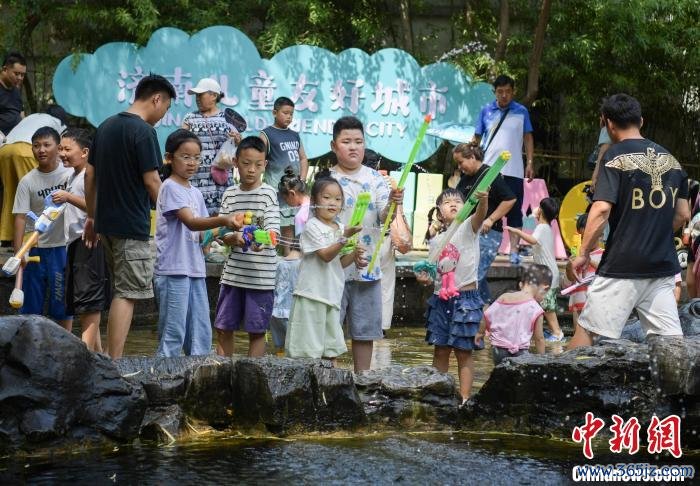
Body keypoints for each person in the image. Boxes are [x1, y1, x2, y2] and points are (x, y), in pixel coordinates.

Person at [568, 94, 690, 349]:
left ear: (608, 124)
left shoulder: (613, 158)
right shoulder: (673, 162)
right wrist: (653, 233)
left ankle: (556, 390)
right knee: (672, 350)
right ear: (641, 121)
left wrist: (583, 253)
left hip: (621, 267)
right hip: (662, 267)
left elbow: (601, 210)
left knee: (584, 339)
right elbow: (683, 214)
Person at [84, 74, 176, 359]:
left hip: (106, 224)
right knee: (127, 293)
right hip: (131, 225)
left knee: (119, 290)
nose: (163, 114)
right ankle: (115, 363)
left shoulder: (106, 126)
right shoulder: (144, 131)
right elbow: (152, 182)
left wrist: (91, 216)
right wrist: (173, 213)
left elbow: (90, 175)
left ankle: (111, 359)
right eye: (167, 107)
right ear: (156, 98)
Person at [154, 129, 242, 357]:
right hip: (173, 269)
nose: (192, 163)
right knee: (173, 331)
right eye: (185, 156)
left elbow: (204, 235)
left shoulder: (195, 193)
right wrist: (224, 219)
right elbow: (192, 223)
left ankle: (199, 374)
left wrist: (232, 230)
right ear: (169, 158)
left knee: (201, 331)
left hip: (194, 269)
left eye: (196, 157)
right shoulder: (170, 187)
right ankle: (162, 379)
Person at [329, 116, 404, 372]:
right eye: (346, 141)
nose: (353, 147)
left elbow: (385, 216)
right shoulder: (326, 180)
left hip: (367, 266)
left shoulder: (375, 179)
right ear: (334, 145)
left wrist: (394, 203)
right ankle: (330, 383)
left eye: (358, 141)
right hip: (334, 267)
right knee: (330, 331)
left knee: (364, 332)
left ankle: (363, 382)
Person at [415, 187, 489, 402]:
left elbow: (480, 215)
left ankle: (465, 399)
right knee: (440, 349)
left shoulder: (468, 227)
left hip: (465, 299)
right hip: (440, 299)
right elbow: (431, 273)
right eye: (447, 202)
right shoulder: (436, 240)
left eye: (458, 201)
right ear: (439, 212)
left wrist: (483, 201)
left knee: (464, 352)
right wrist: (424, 279)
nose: (453, 203)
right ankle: (438, 395)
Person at [285, 170, 363, 362]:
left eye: (337, 199)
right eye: (326, 197)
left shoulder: (340, 227)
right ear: (314, 201)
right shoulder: (312, 226)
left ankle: (331, 387)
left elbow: (338, 263)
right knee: (308, 351)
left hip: (331, 295)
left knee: (331, 349)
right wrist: (345, 238)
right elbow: (326, 256)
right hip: (311, 295)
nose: (332, 203)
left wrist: (353, 255)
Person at [213, 136, 280, 357]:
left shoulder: (268, 194)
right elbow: (222, 233)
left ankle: (253, 380)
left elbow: (273, 233)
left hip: (261, 279)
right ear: (235, 162)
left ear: (265, 165)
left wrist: (261, 242)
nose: (251, 170)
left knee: (257, 331)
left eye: (258, 165)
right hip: (233, 276)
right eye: (246, 163)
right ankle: (222, 375)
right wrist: (232, 238)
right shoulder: (230, 194)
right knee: (223, 328)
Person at [51, 128, 110, 352]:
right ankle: (98, 355)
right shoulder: (73, 175)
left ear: (85, 152)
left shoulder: (90, 175)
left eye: (67, 149)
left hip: (89, 241)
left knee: (90, 299)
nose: (62, 154)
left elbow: (96, 207)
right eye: (61, 149)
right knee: (82, 299)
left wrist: (68, 197)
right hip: (74, 242)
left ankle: (85, 353)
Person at [472, 74, 534, 265]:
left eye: (508, 91)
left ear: (513, 91)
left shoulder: (521, 111)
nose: (504, 95)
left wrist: (530, 162)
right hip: (490, 170)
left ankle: (514, 251)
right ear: (494, 92)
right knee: (485, 208)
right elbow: (476, 138)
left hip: (514, 170)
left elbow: (528, 137)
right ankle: (482, 248)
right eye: (500, 92)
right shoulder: (485, 111)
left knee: (515, 211)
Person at [12, 126, 71, 329]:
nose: (41, 150)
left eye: (47, 145)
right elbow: (20, 218)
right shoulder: (27, 181)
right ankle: (29, 349)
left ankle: (67, 346)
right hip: (35, 249)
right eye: (36, 146)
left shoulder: (69, 175)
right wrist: (18, 252)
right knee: (30, 306)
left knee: (61, 303)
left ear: (58, 147)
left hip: (62, 248)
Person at [454, 142, 516, 304]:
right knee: (474, 276)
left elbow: (510, 199)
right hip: (469, 234)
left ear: (472, 157)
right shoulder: (465, 178)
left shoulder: (490, 174)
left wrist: (491, 219)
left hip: (488, 234)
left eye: (461, 162)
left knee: (474, 275)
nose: (460, 167)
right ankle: (487, 313)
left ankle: (471, 314)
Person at [0, 105, 66, 243]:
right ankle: (33, 238)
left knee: (12, 194)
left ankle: (6, 236)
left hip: (5, 150)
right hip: (26, 149)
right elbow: (61, 147)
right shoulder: (58, 123)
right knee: (38, 197)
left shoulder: (32, 117)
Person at [506, 197, 564, 341]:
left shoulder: (542, 228)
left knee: (548, 306)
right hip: (547, 273)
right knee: (544, 305)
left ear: (541, 211)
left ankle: (557, 333)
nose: (536, 209)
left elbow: (532, 240)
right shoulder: (546, 228)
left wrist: (516, 231)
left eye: (538, 207)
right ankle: (545, 332)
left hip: (548, 275)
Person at [182, 77, 242, 218]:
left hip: (220, 178)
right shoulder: (189, 118)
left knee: (221, 219)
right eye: (196, 95)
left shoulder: (228, 117)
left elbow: (239, 147)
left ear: (214, 96)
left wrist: (238, 140)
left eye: (200, 95)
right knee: (196, 218)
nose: (197, 98)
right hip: (196, 179)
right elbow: (180, 142)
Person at [260, 97, 308, 256]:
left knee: (290, 222)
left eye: (291, 114)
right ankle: (269, 254)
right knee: (274, 222)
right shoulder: (266, 134)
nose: (289, 117)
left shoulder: (294, 135)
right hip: (276, 189)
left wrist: (302, 179)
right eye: (285, 113)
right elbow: (259, 160)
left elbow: (303, 158)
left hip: (293, 188)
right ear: (274, 112)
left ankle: (288, 255)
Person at [269, 168, 310, 352]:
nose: (287, 203)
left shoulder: (302, 213)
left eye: (286, 199)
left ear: (292, 194)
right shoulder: (313, 205)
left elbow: (302, 245)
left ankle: (283, 348)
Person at [478, 264, 550, 365]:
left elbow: (486, 315)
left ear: (521, 284)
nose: (543, 298)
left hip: (498, 350)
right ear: (545, 288)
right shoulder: (536, 309)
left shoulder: (504, 297)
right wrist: (542, 360)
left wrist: (480, 333)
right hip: (520, 352)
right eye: (544, 295)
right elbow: (539, 338)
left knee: (501, 375)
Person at [379, 176, 412, 333]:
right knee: (385, 286)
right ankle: (383, 328)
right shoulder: (390, 181)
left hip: (365, 238)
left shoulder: (360, 179)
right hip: (386, 239)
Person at [565, 213, 604, 334]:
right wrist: (569, 267)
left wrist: (589, 260)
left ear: (599, 235)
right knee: (578, 337)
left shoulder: (603, 254)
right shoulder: (577, 257)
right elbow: (570, 280)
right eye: (583, 238)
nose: (586, 241)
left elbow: (604, 272)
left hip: (595, 305)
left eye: (590, 237)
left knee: (595, 336)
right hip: (578, 303)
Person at [0, 52, 27, 139]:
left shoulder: (16, 91)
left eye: (22, 75)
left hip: (17, 139)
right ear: (5, 70)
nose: (20, 78)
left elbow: (21, 115)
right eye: (16, 74)